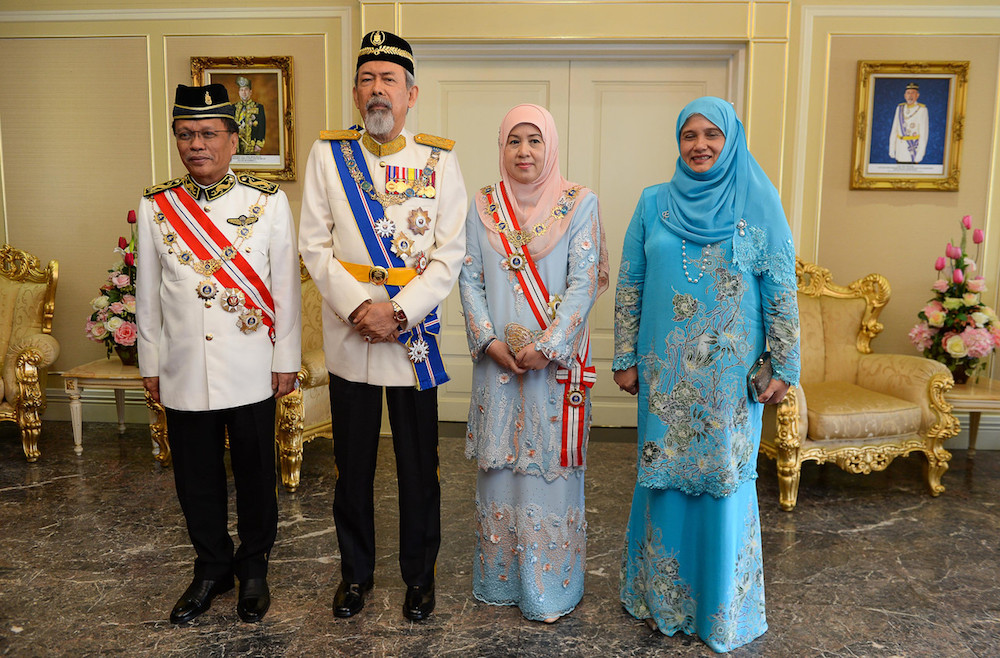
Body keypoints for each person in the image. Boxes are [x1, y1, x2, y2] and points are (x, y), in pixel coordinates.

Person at [612, 96, 800, 653]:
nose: (699, 145)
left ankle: (720, 610)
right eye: (689, 135)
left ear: (731, 139)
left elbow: (781, 289)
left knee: (723, 481)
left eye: (711, 134)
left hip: (730, 381)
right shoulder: (652, 204)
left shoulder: (759, 203)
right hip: (665, 375)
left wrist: (784, 365)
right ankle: (661, 601)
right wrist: (624, 357)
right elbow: (629, 284)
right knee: (663, 478)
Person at [298, 30, 467, 622]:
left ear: (411, 93)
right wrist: (358, 309)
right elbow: (314, 247)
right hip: (350, 340)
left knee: (421, 470)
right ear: (354, 91)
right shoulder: (328, 155)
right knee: (353, 470)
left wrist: (396, 312)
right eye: (367, 79)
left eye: (388, 80)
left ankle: (420, 579)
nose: (377, 90)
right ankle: (356, 576)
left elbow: (450, 254)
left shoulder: (440, 160)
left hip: (411, 339)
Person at [136, 83, 302, 624]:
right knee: (195, 477)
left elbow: (285, 292)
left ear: (233, 139)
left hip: (252, 367)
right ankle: (210, 567)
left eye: (208, 133)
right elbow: (147, 296)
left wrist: (286, 359)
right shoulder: (157, 205)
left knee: (256, 473)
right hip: (183, 369)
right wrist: (150, 365)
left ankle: (253, 568)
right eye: (186, 135)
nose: (196, 145)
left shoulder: (267, 201)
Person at [459, 104, 608, 622]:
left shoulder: (579, 203)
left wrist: (548, 345)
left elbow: (584, 280)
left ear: (551, 146)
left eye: (534, 141)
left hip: (554, 368)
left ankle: (551, 586)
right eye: (514, 141)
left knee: (550, 476)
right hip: (498, 366)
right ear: (501, 146)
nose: (524, 152)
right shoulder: (482, 205)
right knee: (501, 472)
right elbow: (469, 279)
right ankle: (500, 582)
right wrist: (486, 339)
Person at [888, 82, 929, 164]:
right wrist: (892, 149)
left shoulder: (922, 110)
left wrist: (920, 154)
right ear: (905, 95)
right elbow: (894, 130)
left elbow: (924, 134)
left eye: (913, 93)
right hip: (900, 150)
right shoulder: (899, 108)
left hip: (912, 151)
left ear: (917, 95)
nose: (910, 96)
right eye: (908, 93)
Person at [234, 76, 266, 155]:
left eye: (246, 90)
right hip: (236, 146)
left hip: (252, 145)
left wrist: (259, 144)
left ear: (250, 92)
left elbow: (262, 126)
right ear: (239, 92)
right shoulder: (233, 107)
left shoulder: (258, 107)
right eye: (241, 90)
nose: (244, 92)